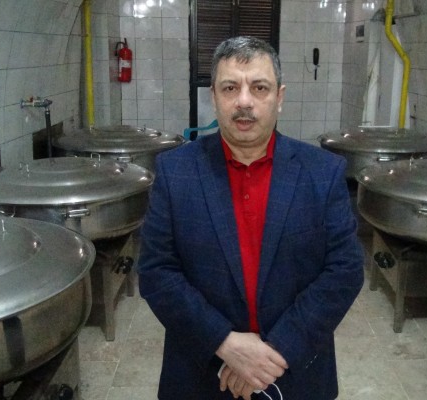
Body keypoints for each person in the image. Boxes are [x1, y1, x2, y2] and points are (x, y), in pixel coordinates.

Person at [137, 36, 365, 400]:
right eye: (230, 88)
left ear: (280, 97)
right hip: (201, 373)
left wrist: (275, 353)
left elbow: (345, 270)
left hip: (295, 371)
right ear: (214, 96)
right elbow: (156, 272)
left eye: (259, 87)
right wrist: (226, 344)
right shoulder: (175, 171)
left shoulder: (323, 172)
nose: (244, 101)